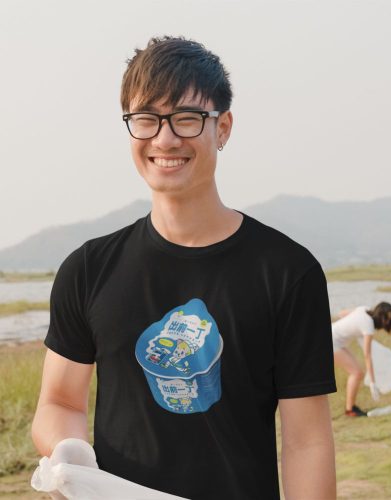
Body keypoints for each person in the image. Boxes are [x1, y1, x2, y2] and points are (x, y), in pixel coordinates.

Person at [31, 36, 337, 499]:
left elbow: (306, 440)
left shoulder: (287, 272)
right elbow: (60, 400)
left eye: (187, 118)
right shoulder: (89, 268)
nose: (165, 138)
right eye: (147, 119)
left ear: (223, 127)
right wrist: (68, 450)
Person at [331, 302, 391, 417]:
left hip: (334, 338)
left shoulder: (364, 309)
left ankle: (350, 407)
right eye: (387, 320)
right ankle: (350, 409)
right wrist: (373, 383)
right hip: (331, 343)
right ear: (382, 317)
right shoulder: (368, 326)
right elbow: (367, 355)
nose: (387, 323)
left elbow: (341, 313)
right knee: (356, 373)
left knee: (358, 372)